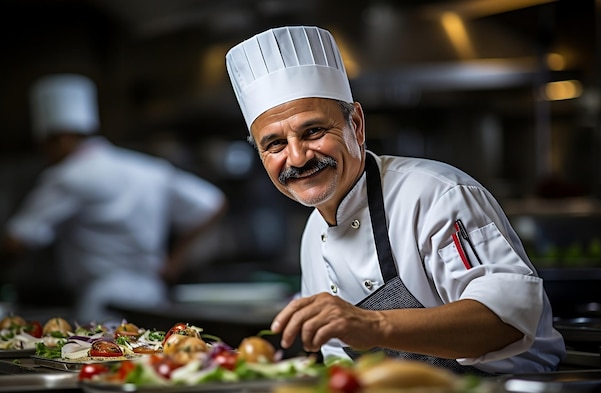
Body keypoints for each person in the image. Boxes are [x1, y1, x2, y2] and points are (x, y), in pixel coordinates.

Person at [225, 26, 565, 375]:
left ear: (355, 124)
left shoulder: (434, 194)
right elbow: (343, 366)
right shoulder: (314, 233)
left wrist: (372, 326)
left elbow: (505, 321)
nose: (296, 158)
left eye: (312, 131)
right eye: (275, 144)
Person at [1, 74, 227, 323]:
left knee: (98, 358)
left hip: (103, 302)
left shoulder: (68, 176)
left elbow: (17, 240)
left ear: (62, 137)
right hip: (153, 296)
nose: (45, 154)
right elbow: (213, 203)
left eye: (46, 144)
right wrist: (174, 261)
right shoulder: (147, 168)